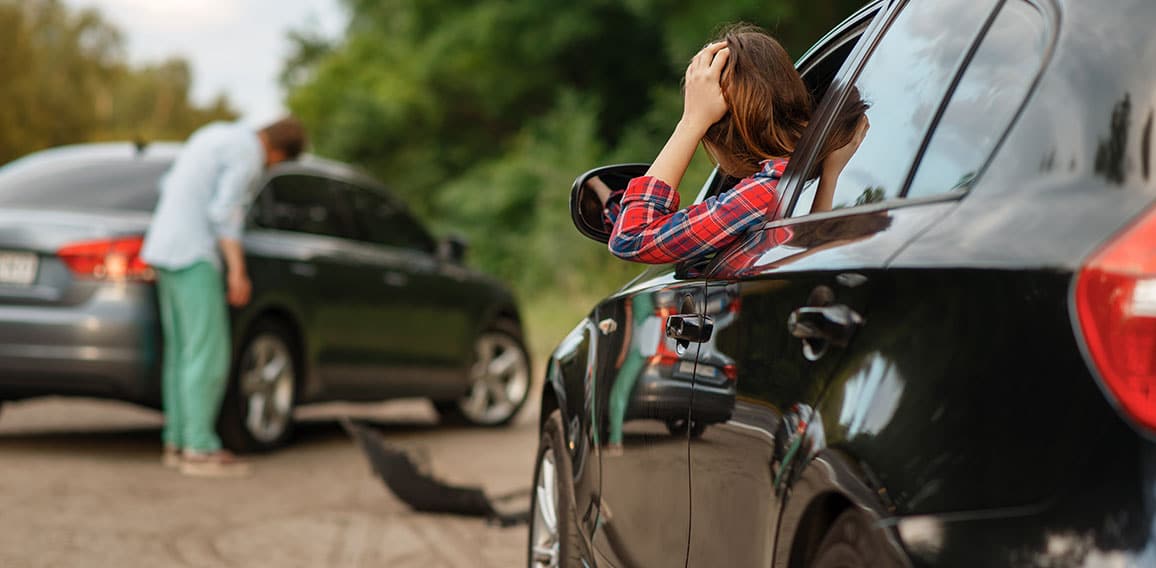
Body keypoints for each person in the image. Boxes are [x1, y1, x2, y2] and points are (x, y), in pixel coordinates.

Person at [606, 24, 869, 264]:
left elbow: (631, 237)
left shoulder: (765, 192)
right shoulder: (801, 178)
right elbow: (811, 252)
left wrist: (691, 123)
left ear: (717, 135)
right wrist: (830, 175)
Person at [141, 118, 306, 477]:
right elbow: (225, 214)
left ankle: (178, 441)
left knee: (182, 353)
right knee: (208, 354)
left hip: (163, 248)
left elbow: (167, 184)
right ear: (277, 152)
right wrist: (237, 271)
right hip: (195, 254)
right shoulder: (248, 155)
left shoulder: (213, 134)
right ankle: (199, 448)